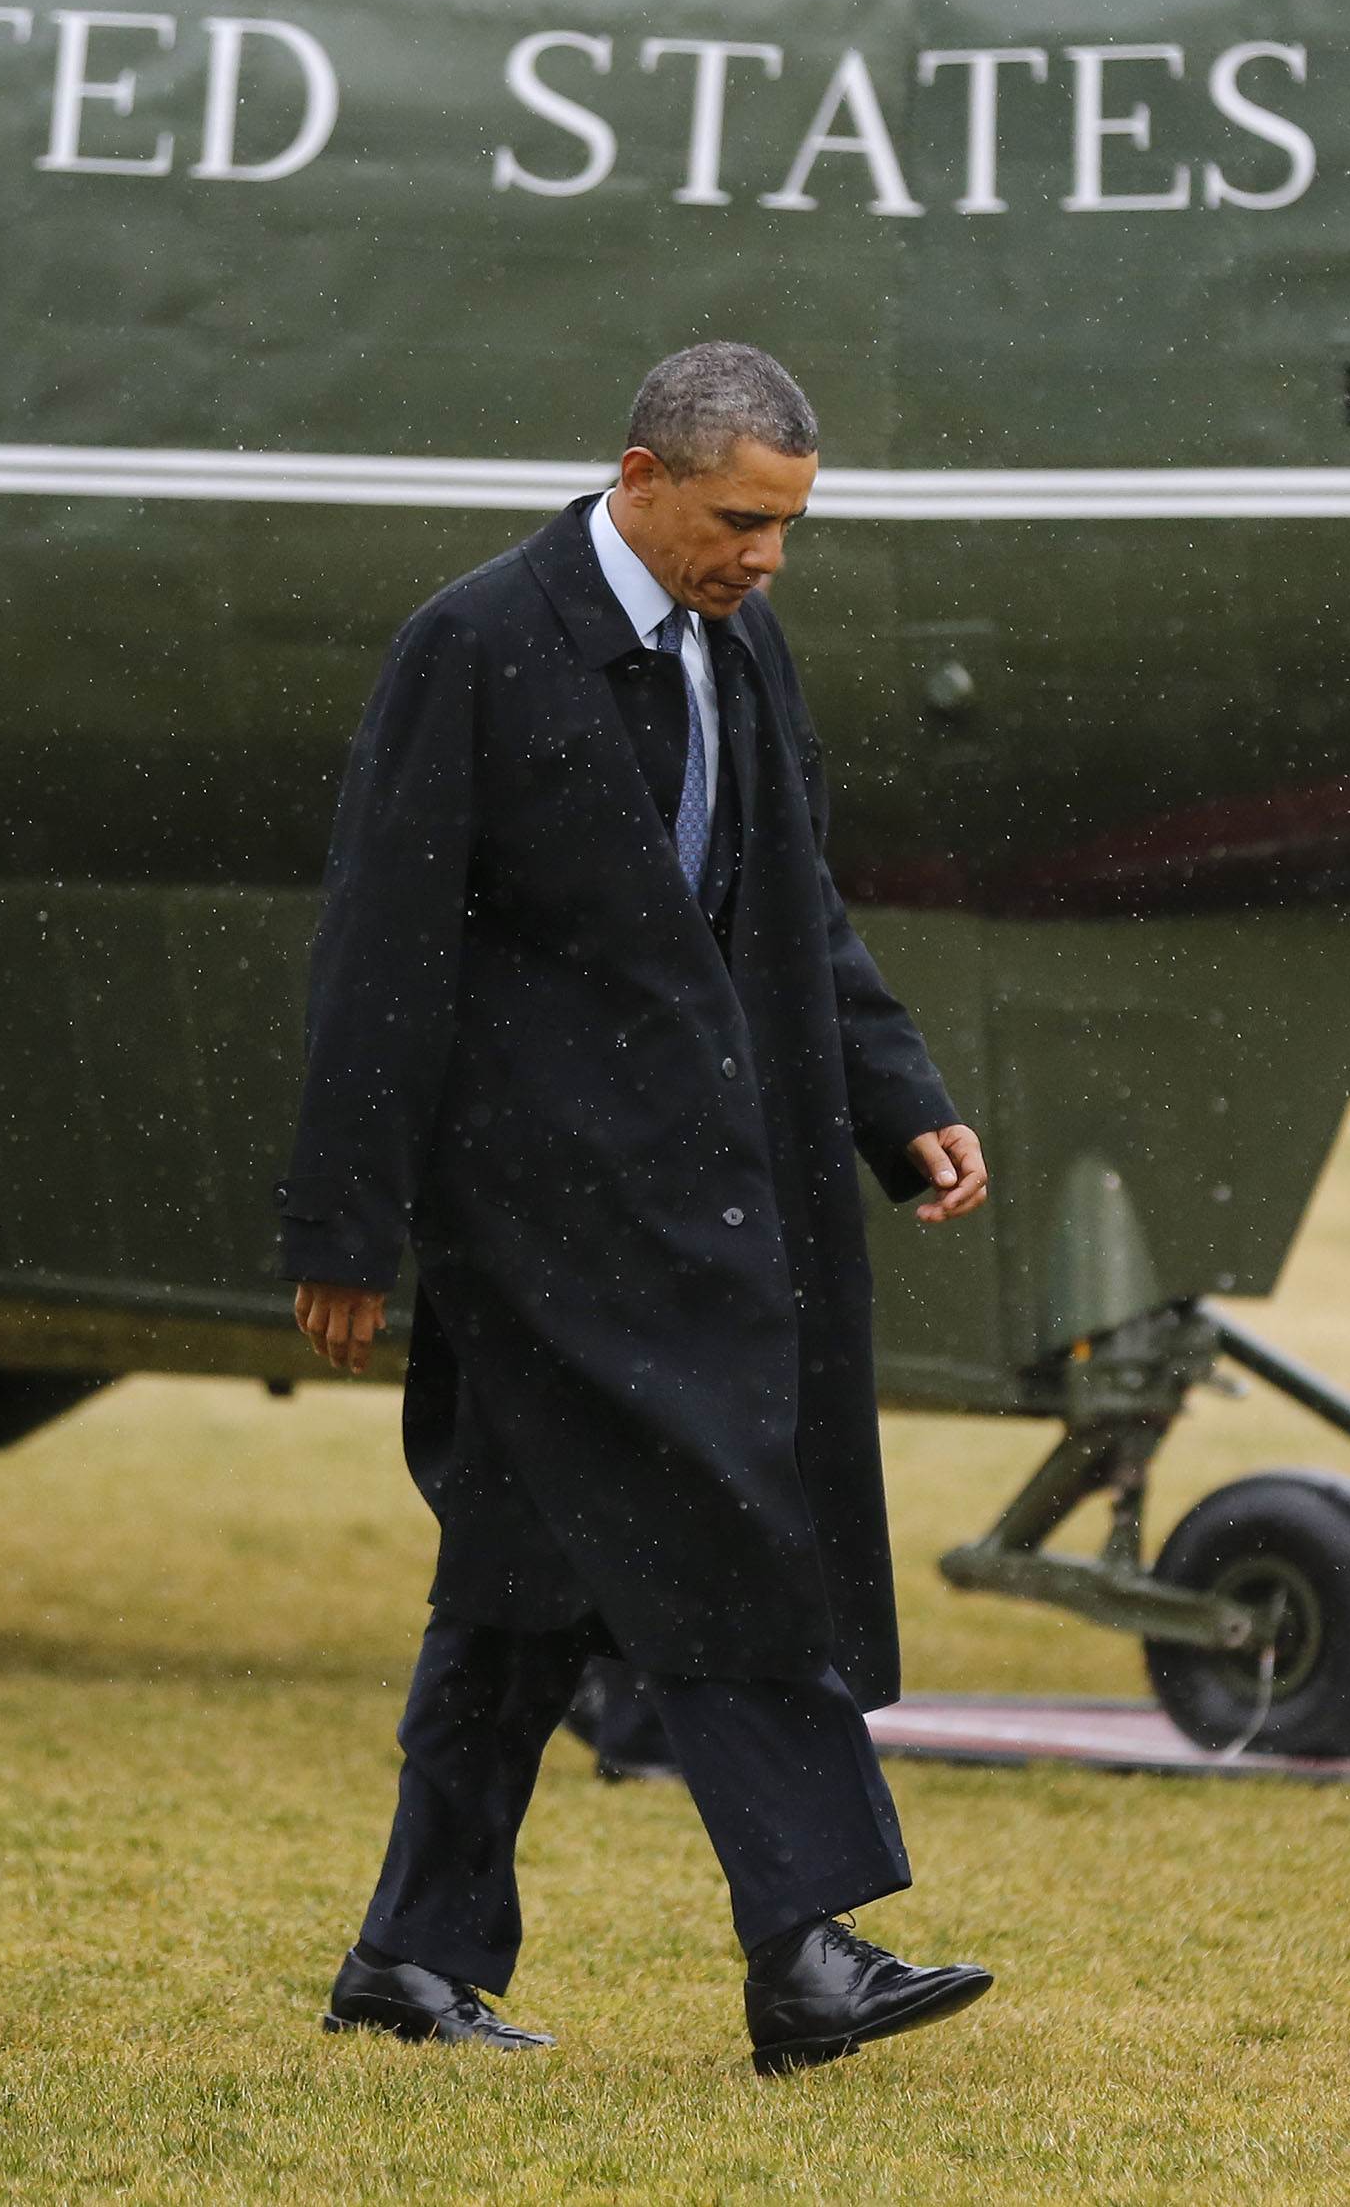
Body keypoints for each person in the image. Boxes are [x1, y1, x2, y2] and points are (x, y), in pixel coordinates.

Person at [277, 341, 995, 2076]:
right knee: (724, 1525)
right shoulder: (471, 646)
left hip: (715, 1204)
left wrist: (901, 1101)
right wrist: (343, 1223)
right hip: (544, 1219)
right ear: (642, 475)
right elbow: (383, 948)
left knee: (520, 1583)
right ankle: (807, 1949)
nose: (765, 558)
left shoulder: (741, 650)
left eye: (789, 527)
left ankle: (409, 1958)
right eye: (742, 520)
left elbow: (796, 902)